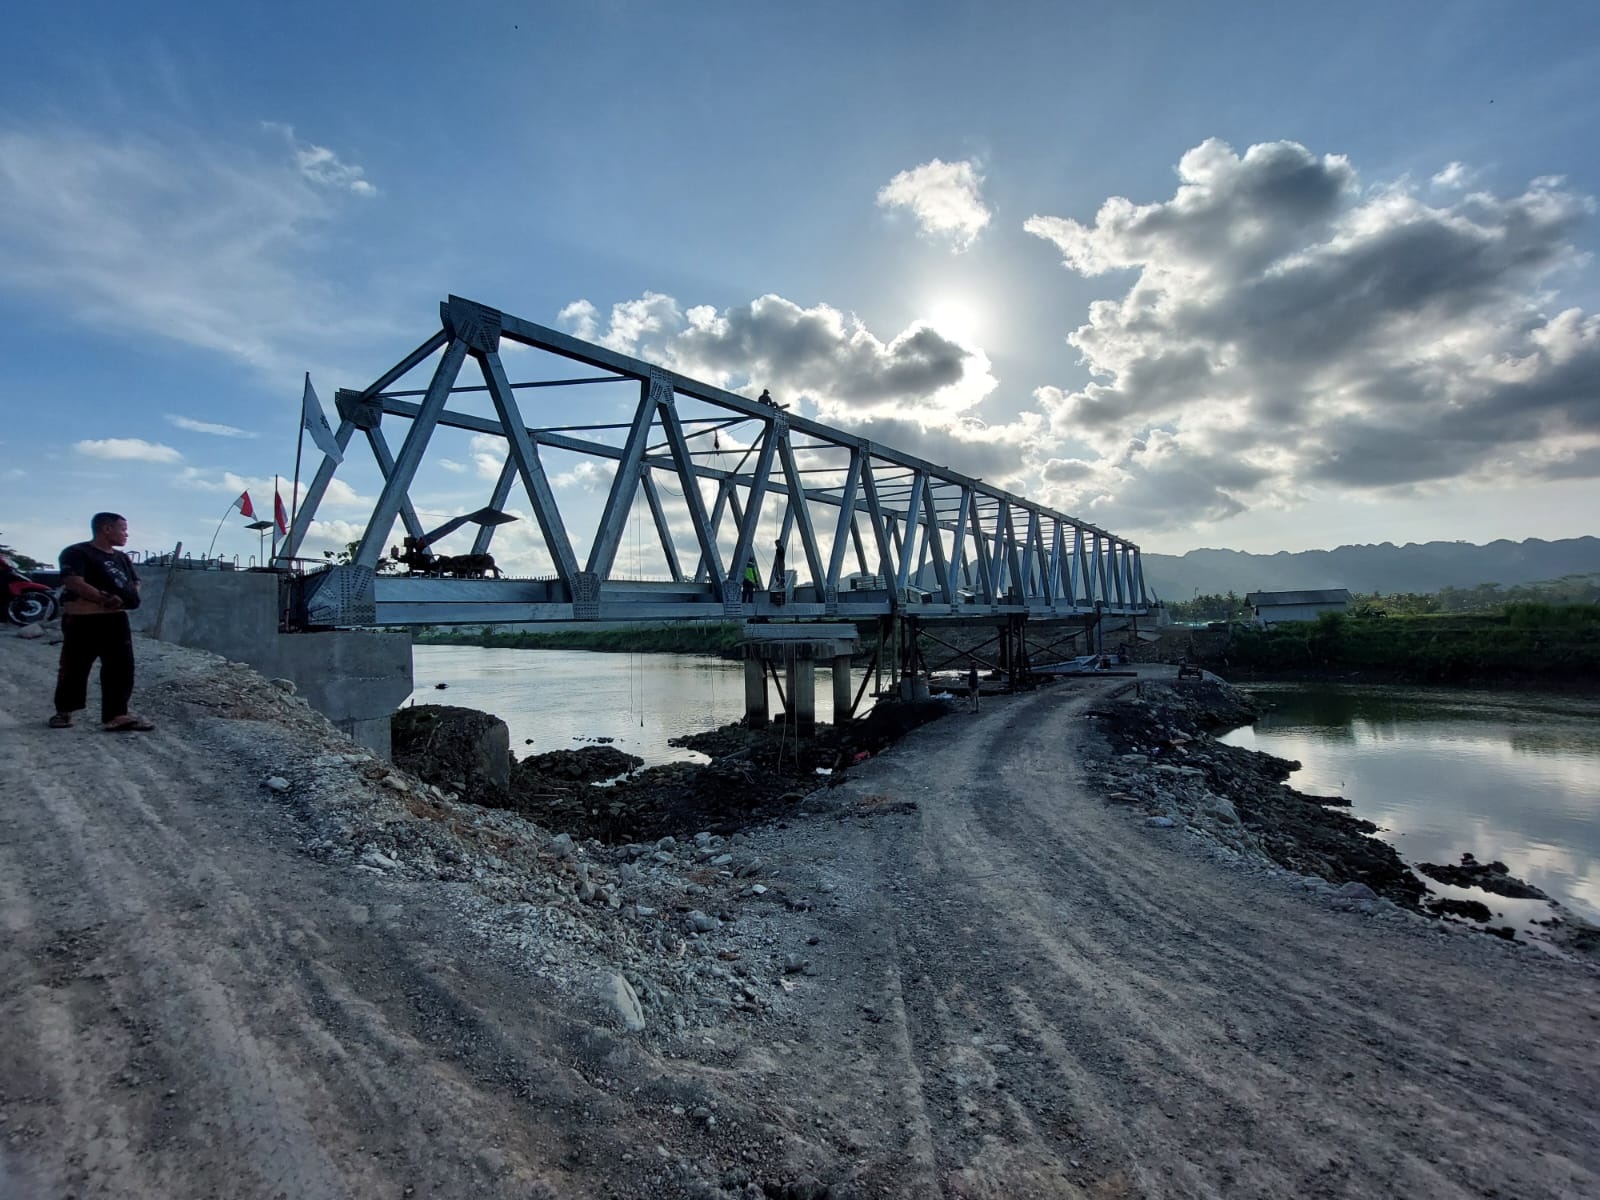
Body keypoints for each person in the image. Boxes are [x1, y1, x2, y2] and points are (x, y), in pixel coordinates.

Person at [51, 512, 153, 731]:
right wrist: (103, 599)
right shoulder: (77, 552)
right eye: (123, 529)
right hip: (83, 620)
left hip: (115, 621)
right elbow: (74, 581)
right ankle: (64, 711)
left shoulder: (121, 558)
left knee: (120, 667)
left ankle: (116, 714)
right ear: (107, 529)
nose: (126, 534)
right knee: (75, 667)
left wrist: (127, 597)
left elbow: (134, 582)